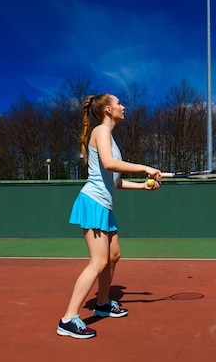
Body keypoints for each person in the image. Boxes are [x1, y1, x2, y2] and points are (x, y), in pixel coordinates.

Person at [57, 93, 161, 339]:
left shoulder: (110, 138)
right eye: (118, 104)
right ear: (107, 110)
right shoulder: (101, 131)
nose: (123, 107)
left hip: (104, 205)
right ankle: (68, 319)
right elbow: (109, 164)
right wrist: (145, 167)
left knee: (113, 255)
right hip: (93, 202)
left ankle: (102, 304)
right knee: (98, 261)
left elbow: (116, 180)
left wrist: (142, 186)